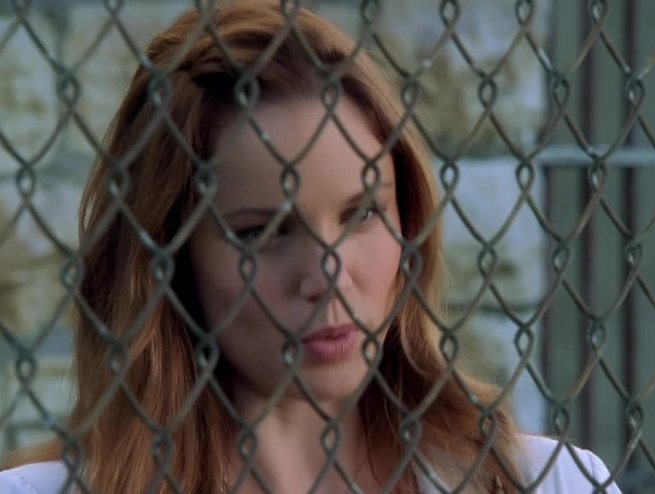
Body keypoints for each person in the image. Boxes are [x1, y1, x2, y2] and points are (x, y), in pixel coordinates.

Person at [0, 1, 622, 492]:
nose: (328, 276)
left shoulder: (550, 483)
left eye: (361, 214)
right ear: (168, 260)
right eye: (262, 233)